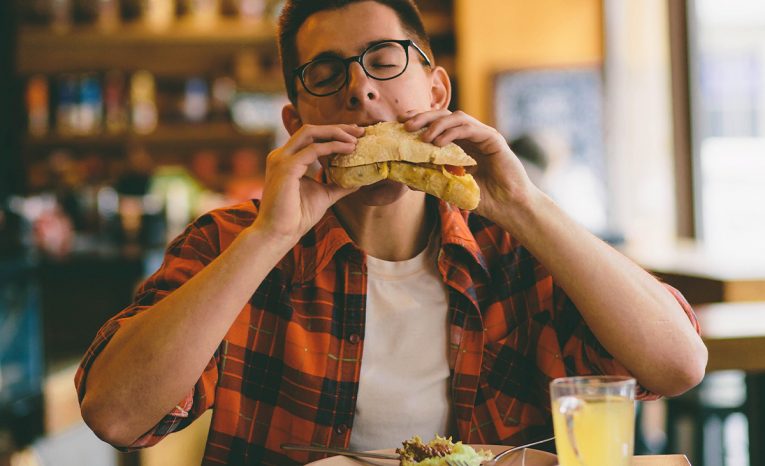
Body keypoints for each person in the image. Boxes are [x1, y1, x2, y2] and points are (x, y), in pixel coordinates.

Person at [75, 1, 708, 464]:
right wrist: (268, 238)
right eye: (326, 74)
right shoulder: (234, 241)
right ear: (297, 119)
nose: (361, 89)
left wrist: (524, 203)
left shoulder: (516, 242)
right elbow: (117, 416)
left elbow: (678, 366)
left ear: (436, 90)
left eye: (384, 62)